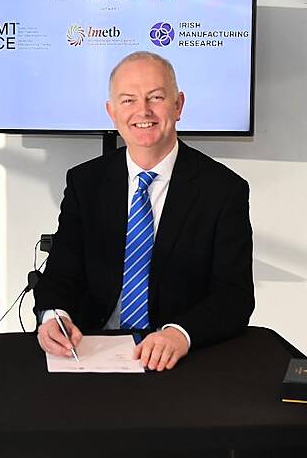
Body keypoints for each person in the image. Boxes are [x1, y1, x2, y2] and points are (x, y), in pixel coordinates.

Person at [34, 51, 253, 370]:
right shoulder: (85, 182)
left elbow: (234, 297)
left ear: (178, 105)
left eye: (156, 97)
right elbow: (61, 273)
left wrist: (180, 334)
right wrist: (55, 315)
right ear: (111, 112)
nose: (143, 111)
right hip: (93, 351)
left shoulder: (223, 190)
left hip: (179, 357)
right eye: (128, 100)